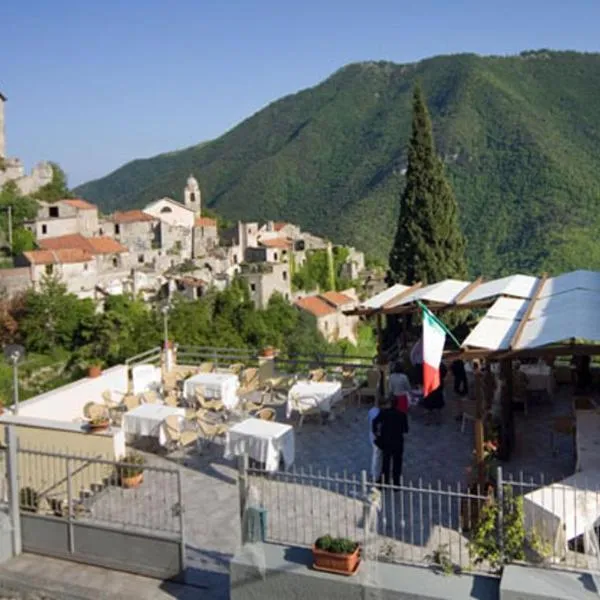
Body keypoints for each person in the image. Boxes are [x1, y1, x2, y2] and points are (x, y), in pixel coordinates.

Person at [372, 397, 409, 486]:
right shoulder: (402, 415)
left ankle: (385, 481)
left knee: (386, 462)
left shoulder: (384, 413)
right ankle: (396, 483)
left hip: (386, 441)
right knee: (397, 462)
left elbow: (374, 422)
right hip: (398, 441)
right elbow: (405, 429)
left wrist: (376, 433)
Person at [367, 403, 382, 481]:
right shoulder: (381, 413)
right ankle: (374, 473)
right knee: (377, 455)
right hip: (377, 436)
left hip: (372, 435)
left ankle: (373, 472)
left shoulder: (371, 410)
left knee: (376, 455)